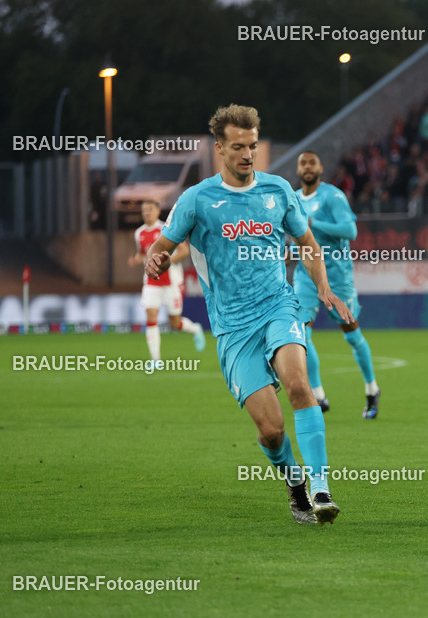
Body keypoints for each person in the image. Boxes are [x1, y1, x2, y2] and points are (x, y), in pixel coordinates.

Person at [144, 104, 352, 526]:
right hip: (233, 327)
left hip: (279, 305)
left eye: (253, 146)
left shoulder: (277, 191)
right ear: (219, 148)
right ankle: (295, 486)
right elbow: (162, 246)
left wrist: (324, 286)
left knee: (298, 384)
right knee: (272, 430)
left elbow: (308, 243)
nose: (247, 154)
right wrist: (155, 261)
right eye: (238, 147)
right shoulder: (197, 200)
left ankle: (321, 487)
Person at [293, 151, 380, 418]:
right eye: (303, 163)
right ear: (298, 170)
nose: (307, 167)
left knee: (352, 334)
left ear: (320, 167)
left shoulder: (333, 196)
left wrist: (314, 223)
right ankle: (318, 396)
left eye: (312, 163)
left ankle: (371, 388)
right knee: (301, 334)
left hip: (337, 276)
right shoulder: (293, 199)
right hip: (305, 274)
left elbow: (350, 231)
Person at [127, 199, 206, 360]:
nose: (147, 213)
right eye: (144, 210)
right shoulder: (139, 233)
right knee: (151, 317)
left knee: (175, 324)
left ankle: (195, 329)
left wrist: (166, 262)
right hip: (151, 282)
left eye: (150, 209)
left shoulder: (167, 228)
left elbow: (184, 251)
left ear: (157, 211)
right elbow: (143, 252)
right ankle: (155, 360)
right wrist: (137, 259)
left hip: (172, 282)